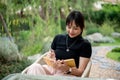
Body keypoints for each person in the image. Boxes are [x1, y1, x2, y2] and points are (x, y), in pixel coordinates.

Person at [26, 10, 92, 77]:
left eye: (75, 28)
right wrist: (50, 58)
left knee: (58, 76)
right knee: (35, 67)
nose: (71, 31)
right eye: (69, 27)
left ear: (82, 28)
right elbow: (50, 57)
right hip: (52, 69)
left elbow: (81, 72)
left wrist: (68, 69)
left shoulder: (85, 45)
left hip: (68, 74)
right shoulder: (58, 38)